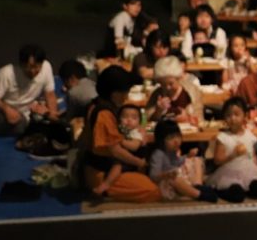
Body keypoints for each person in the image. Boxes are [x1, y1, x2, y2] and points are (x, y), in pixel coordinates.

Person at [78, 65, 160, 203]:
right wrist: (139, 162)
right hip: (101, 172)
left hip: (102, 166)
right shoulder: (104, 114)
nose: (126, 97)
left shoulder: (95, 104)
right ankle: (105, 190)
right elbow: (115, 151)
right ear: (114, 94)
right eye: (125, 92)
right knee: (153, 192)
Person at [206, 97, 257, 200]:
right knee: (236, 194)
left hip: (248, 170)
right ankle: (223, 191)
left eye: (236, 114)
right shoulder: (223, 137)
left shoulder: (249, 135)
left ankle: (246, 189)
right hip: (228, 172)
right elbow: (217, 160)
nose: (232, 118)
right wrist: (233, 155)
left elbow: (253, 155)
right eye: (228, 115)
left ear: (245, 116)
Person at [148, 119, 222, 202]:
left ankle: (198, 186)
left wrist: (188, 156)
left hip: (178, 180)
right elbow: (153, 176)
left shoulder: (171, 151)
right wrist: (166, 175)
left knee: (196, 160)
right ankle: (198, 194)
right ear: (161, 140)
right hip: (166, 185)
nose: (176, 141)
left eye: (177, 136)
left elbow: (177, 162)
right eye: (170, 138)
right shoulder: (158, 154)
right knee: (174, 178)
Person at [92, 104, 148, 196]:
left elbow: (134, 146)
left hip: (131, 159)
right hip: (120, 156)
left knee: (117, 165)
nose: (129, 120)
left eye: (134, 118)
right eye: (125, 117)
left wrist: (121, 141)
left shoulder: (135, 132)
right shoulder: (118, 129)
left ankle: (106, 184)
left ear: (139, 122)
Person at [147, 56, 198, 124]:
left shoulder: (191, 91)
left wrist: (187, 117)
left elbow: (199, 119)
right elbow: (148, 121)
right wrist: (158, 111)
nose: (167, 87)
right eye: (163, 84)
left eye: (171, 84)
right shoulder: (157, 94)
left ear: (179, 78)